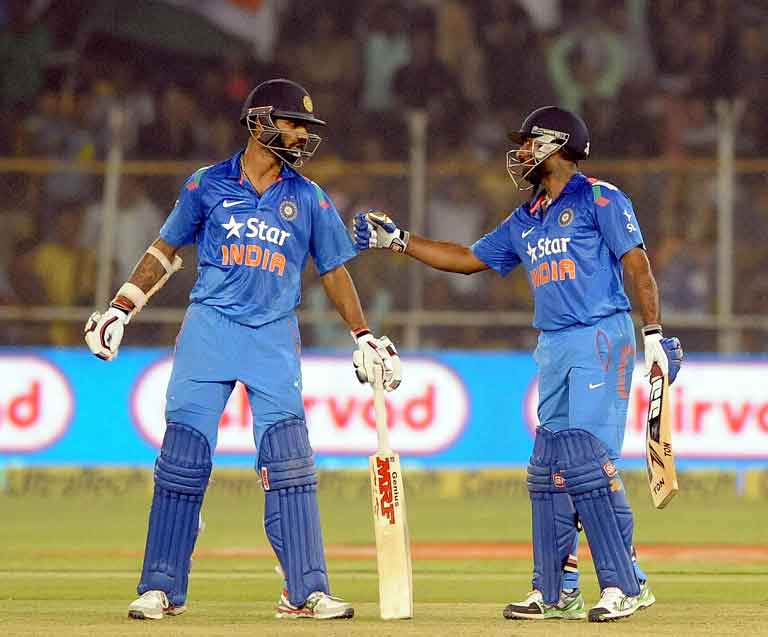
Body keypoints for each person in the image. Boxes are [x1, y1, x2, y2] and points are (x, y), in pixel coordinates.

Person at [85, 78, 401, 621]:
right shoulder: (205, 185)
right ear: (259, 121)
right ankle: (162, 586)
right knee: (183, 460)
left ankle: (304, 591)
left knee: (290, 463)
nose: (302, 135)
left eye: (307, 127)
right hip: (209, 330)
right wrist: (120, 307)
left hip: (273, 336)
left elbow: (334, 270)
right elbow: (165, 249)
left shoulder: (308, 197)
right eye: (293, 123)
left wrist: (363, 334)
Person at [353, 106, 683, 623]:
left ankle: (627, 584)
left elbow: (636, 264)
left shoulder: (601, 198)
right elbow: (466, 258)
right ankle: (555, 591)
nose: (521, 153)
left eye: (530, 143)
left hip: (601, 335)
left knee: (584, 462)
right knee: (547, 468)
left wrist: (653, 333)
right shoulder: (525, 218)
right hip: (553, 344)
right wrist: (399, 242)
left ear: (557, 144)